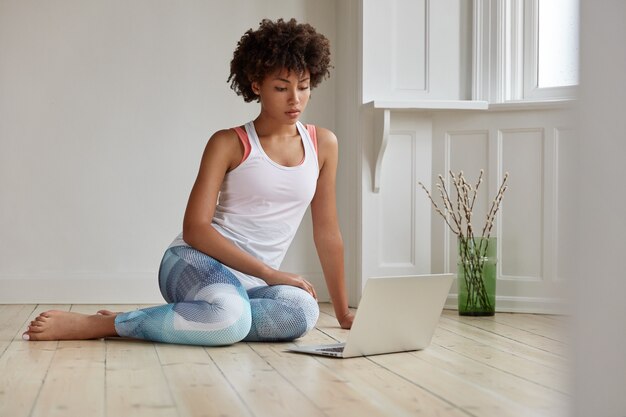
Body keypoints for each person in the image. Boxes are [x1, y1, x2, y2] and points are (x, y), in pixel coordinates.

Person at [22, 18, 354, 345]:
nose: (295, 99)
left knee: (303, 312)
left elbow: (327, 233)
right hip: (193, 261)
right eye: (281, 88)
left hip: (253, 285)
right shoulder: (228, 143)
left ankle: (196, 318)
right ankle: (107, 325)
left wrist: (343, 314)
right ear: (256, 85)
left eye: (304, 85)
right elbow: (196, 229)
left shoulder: (322, 144)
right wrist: (269, 273)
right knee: (229, 317)